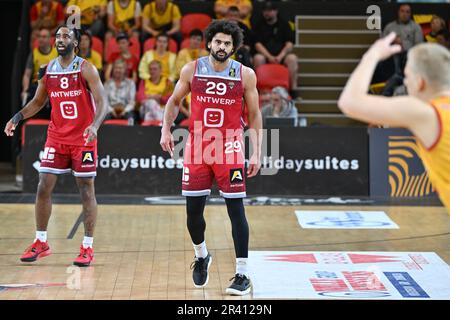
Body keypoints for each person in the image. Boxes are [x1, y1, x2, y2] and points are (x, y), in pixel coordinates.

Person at [160, 20, 262, 295]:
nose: (222, 47)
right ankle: (201, 254)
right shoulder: (192, 69)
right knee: (193, 212)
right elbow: (173, 100)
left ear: (234, 47)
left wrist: (257, 152)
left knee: (236, 210)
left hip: (230, 146)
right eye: (218, 42)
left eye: (228, 43)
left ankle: (242, 273)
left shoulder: (245, 74)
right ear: (209, 43)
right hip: (197, 146)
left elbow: (254, 115)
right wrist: (166, 129)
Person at [4, 26, 108, 266]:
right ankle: (41, 241)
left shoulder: (86, 68)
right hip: (56, 138)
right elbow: (38, 102)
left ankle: (87, 247)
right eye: (58, 36)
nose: (60, 40)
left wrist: (94, 126)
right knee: (43, 186)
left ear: (76, 43)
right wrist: (17, 118)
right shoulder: (48, 69)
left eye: (66, 37)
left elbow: (103, 102)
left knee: (86, 190)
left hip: (83, 139)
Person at [338, 32, 450, 212]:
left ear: (420, 82)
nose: (405, 82)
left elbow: (349, 102)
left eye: (407, 76)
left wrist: (372, 55)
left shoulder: (425, 113)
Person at [253, 1, 297, 91]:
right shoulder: (258, 25)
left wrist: (280, 57)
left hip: (281, 56)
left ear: (276, 11)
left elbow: (290, 44)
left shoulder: (284, 24)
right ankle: (257, 90)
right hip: (265, 56)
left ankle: (293, 90)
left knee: (292, 58)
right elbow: (257, 44)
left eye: (270, 10)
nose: (267, 13)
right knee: (258, 58)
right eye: (265, 10)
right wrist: (269, 57)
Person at [22, 28, 58, 118]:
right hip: (37, 85)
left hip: (53, 85)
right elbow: (27, 75)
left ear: (50, 39)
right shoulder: (34, 53)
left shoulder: (57, 53)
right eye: (39, 37)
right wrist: (25, 90)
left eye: (44, 37)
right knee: (29, 98)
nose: (41, 39)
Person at [104, 59, 136, 123]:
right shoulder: (107, 83)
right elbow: (105, 101)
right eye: (116, 68)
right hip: (110, 110)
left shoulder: (130, 83)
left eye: (121, 68)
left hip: (126, 110)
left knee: (131, 119)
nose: (118, 70)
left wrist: (125, 111)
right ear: (113, 70)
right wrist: (111, 110)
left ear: (125, 70)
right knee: (103, 119)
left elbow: (132, 102)